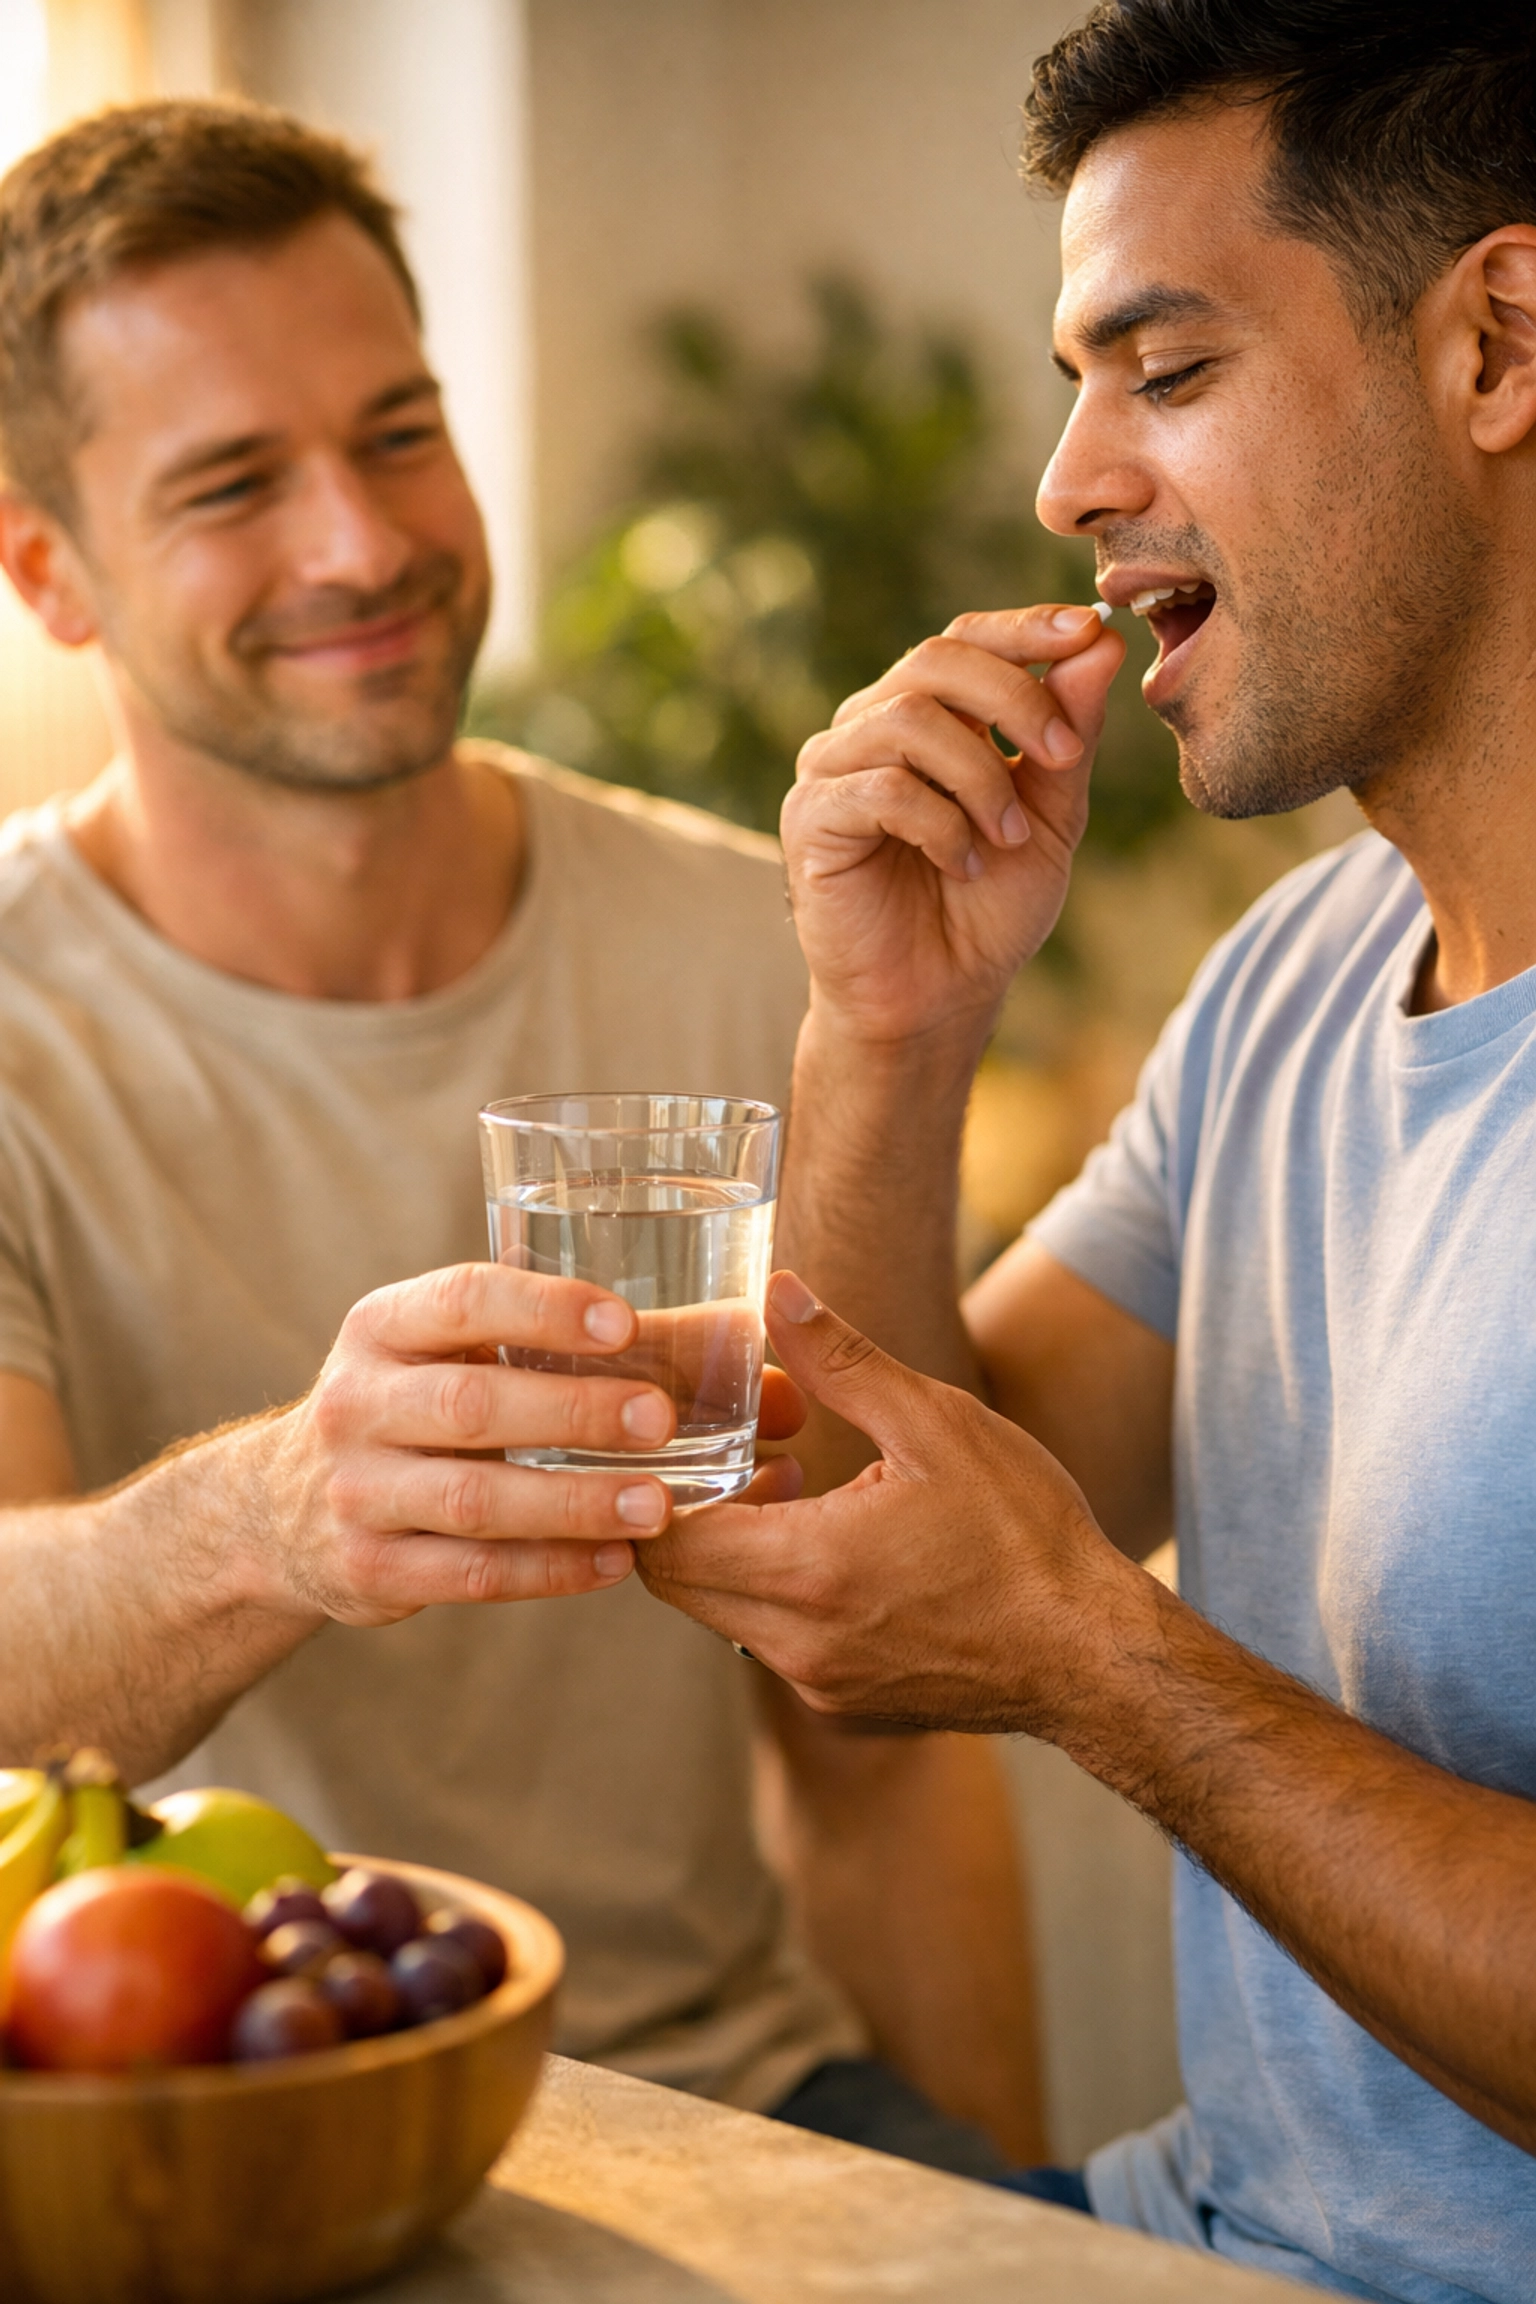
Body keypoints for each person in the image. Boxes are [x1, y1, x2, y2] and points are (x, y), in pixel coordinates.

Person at [0, 97, 1045, 2169]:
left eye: (399, 431)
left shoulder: (761, 938)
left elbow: (872, 1731)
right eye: (231, 483)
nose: (361, 543)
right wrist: (275, 1516)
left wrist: (1011, 2208)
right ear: (51, 574)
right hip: (236, 2137)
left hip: (747, 2110)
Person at [641, 1, 1536, 2294]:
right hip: (1189, 2235)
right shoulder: (1295, 981)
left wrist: (1101, 1662)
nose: (1067, 480)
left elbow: (1033, 1606)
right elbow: (874, 1521)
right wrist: (892, 1024)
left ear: (1502, 345)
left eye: (1168, 369)